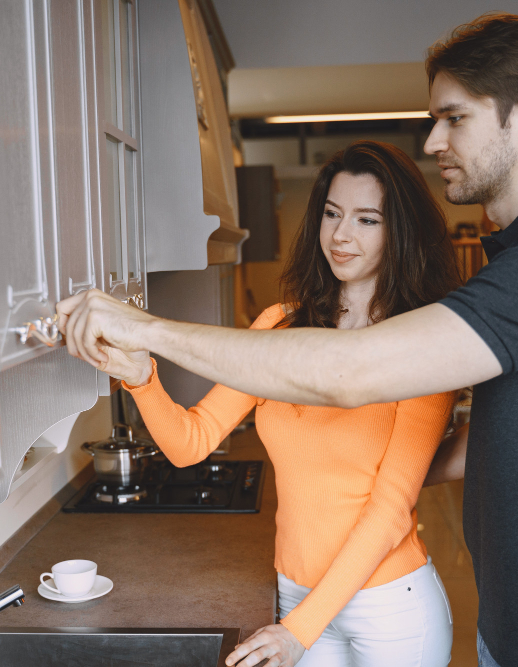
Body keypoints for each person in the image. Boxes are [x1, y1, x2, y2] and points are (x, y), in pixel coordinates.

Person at [58, 13, 518, 667]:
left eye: (455, 117)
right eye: (331, 214)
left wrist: (146, 327)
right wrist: (140, 370)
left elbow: (348, 373)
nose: (433, 137)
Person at [103, 141, 460, 667]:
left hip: (389, 608)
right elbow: (190, 443)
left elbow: (389, 511)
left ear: (399, 232)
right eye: (332, 214)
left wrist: (299, 631)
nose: (340, 235)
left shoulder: (419, 346)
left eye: (366, 219)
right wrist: (141, 378)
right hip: (295, 591)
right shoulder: (280, 325)